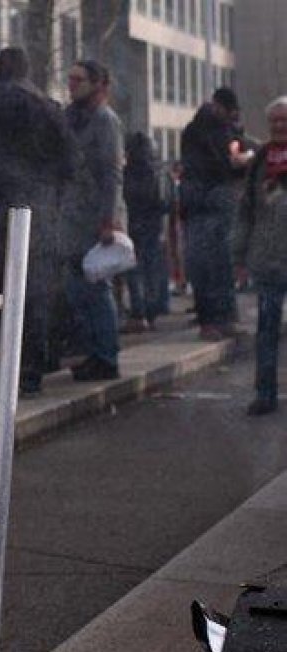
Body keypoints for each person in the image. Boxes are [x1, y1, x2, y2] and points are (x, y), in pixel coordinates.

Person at [0, 46, 76, 396]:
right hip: (40, 214)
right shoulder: (49, 110)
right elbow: (70, 164)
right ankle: (30, 372)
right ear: (27, 71)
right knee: (34, 293)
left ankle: (1, 372)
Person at [61, 60, 127, 382]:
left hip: (95, 219)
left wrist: (109, 220)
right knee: (80, 290)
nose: (72, 85)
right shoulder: (73, 117)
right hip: (74, 218)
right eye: (70, 79)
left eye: (79, 80)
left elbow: (111, 173)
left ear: (98, 84)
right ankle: (93, 352)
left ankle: (105, 356)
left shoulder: (104, 121)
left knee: (96, 287)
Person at [181, 87, 255, 341]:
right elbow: (228, 162)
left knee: (215, 265)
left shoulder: (203, 129)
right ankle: (216, 319)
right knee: (212, 265)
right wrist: (243, 159)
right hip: (210, 201)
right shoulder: (211, 131)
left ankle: (218, 320)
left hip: (205, 202)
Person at [233, 96, 287, 416]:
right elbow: (245, 212)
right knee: (266, 330)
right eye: (274, 121)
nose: (279, 126)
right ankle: (265, 393)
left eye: (284, 120)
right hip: (267, 259)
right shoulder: (260, 162)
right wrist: (239, 257)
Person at [121, 131, 172, 332]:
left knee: (134, 269)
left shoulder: (129, 172)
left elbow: (127, 196)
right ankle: (153, 309)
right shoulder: (160, 172)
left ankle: (138, 312)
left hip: (135, 222)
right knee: (153, 269)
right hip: (155, 223)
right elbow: (166, 201)